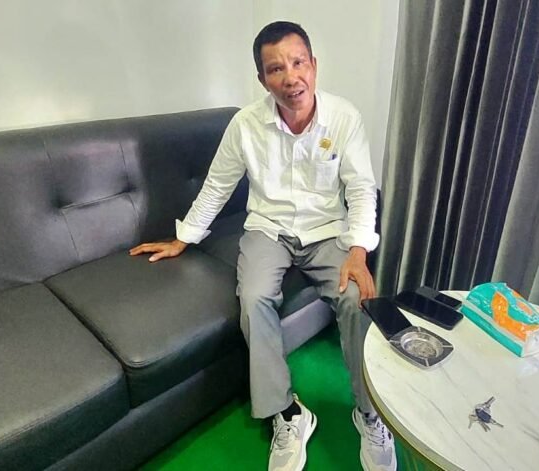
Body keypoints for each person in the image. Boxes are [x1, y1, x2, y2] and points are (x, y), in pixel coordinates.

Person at [129, 21, 396, 471]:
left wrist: (358, 252)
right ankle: (287, 414)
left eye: (298, 63)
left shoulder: (344, 117)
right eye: (276, 69)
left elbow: (361, 190)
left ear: (313, 65)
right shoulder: (245, 125)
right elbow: (217, 186)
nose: (290, 77)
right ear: (262, 79)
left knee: (356, 297)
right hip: (268, 230)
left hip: (327, 231)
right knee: (253, 300)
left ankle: (370, 413)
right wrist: (183, 237)